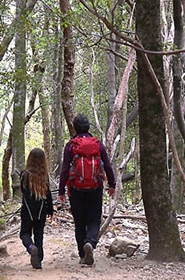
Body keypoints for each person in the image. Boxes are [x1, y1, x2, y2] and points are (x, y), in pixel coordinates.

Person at [58, 114, 116, 266]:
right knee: (94, 219)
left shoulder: (71, 145)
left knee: (79, 222)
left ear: (75, 128)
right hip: (95, 188)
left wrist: (61, 191)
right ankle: (90, 242)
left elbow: (65, 169)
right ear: (88, 127)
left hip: (76, 189)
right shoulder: (97, 144)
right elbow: (108, 165)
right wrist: (112, 184)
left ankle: (83, 255)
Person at [20, 147, 54, 269]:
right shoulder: (45, 176)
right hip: (41, 211)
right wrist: (51, 210)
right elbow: (48, 195)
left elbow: (23, 191)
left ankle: (31, 247)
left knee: (24, 234)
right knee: (39, 234)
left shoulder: (24, 175)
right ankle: (38, 260)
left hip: (27, 211)